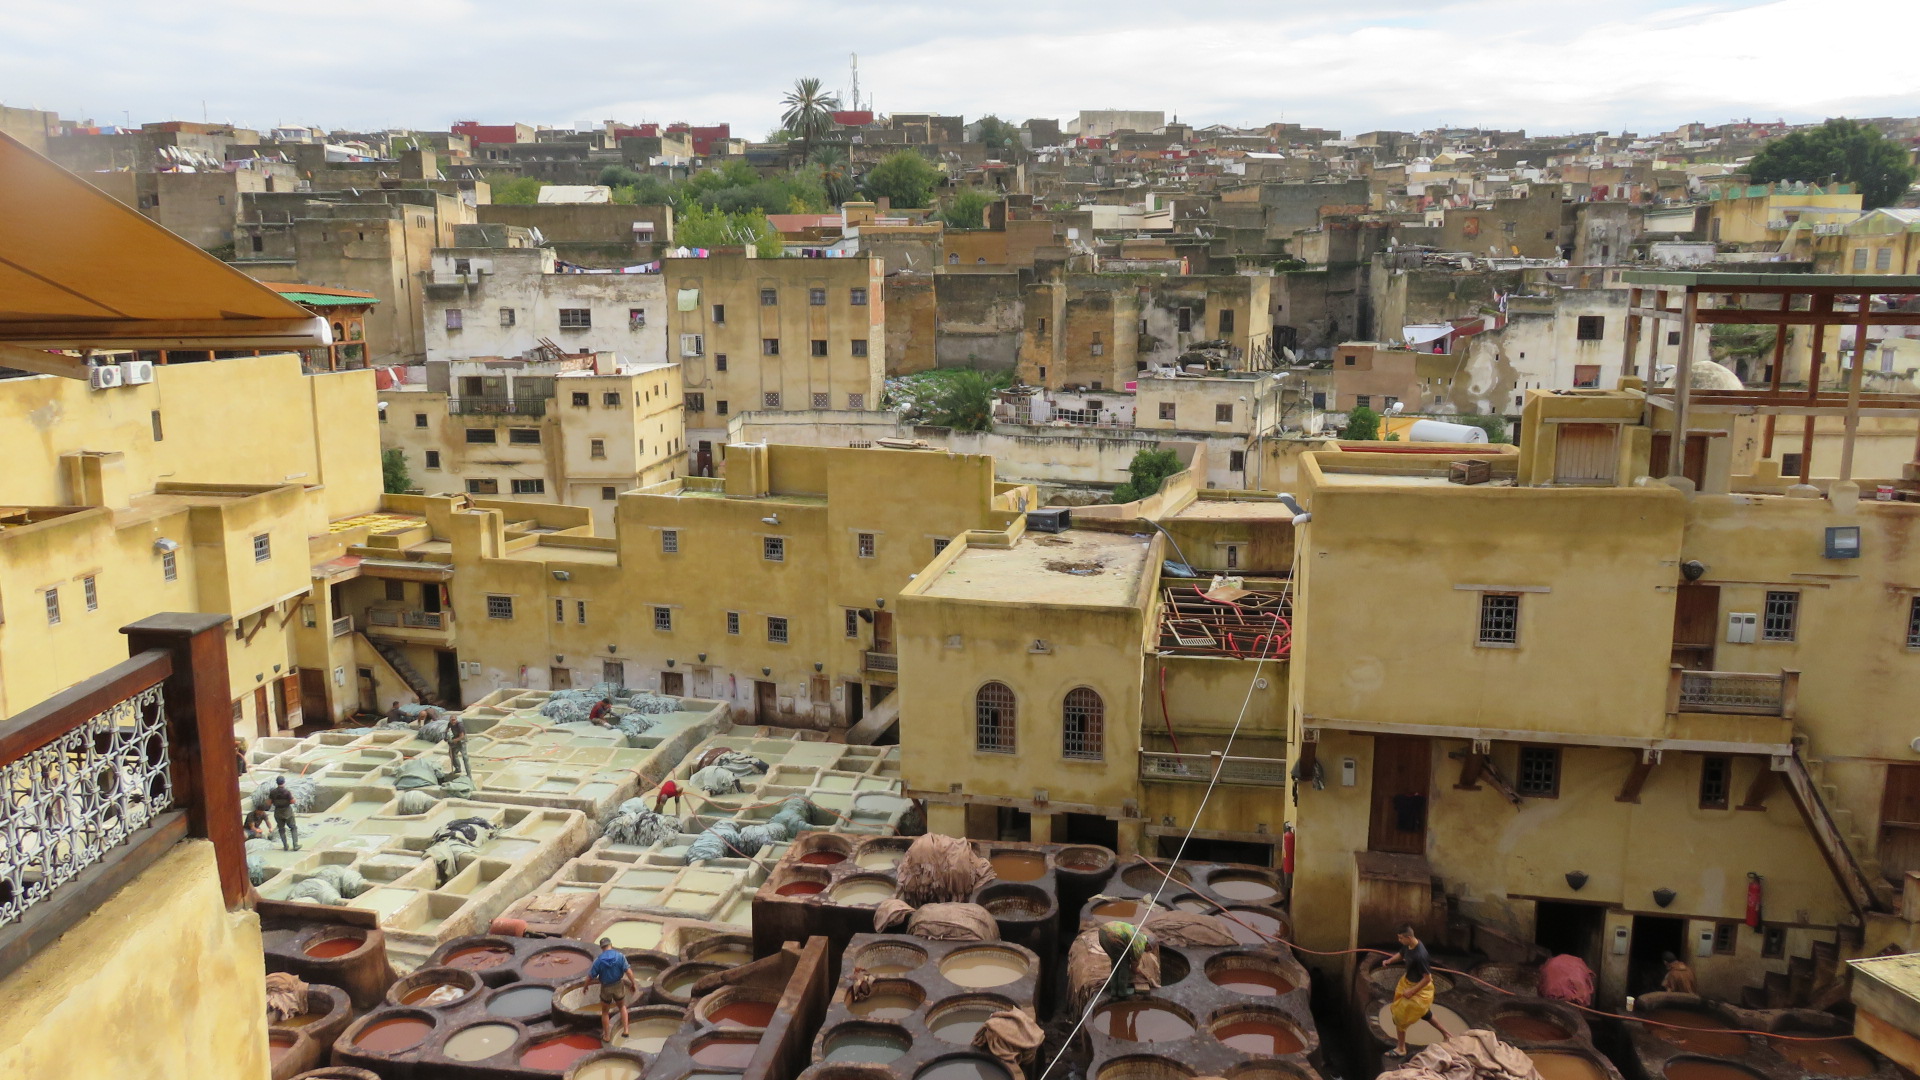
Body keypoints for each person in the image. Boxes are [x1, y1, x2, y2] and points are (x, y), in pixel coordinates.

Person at [1384, 923, 1451, 1059]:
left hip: (1419, 988)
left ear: (1409, 937)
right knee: (1425, 1013)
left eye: (1401, 938)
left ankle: (1401, 1048)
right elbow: (1401, 954)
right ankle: (1447, 1034)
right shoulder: (1408, 945)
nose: (1399, 940)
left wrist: (1412, 992)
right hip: (1407, 982)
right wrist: (1390, 961)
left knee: (1399, 1016)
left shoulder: (1421, 955)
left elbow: (1427, 978)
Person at [574, 937, 638, 1042]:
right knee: (622, 1007)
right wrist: (633, 983)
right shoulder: (620, 956)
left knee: (605, 1012)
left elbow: (590, 976)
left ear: (601, 947)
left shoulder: (599, 960)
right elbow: (629, 971)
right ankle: (626, 1030)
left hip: (606, 987)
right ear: (611, 945)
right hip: (618, 985)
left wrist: (585, 987)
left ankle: (607, 1036)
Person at [1097, 920, 1152, 1001]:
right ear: (1148, 944)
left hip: (1103, 931)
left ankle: (1114, 990)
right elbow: (1134, 966)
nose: (1147, 951)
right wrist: (1140, 972)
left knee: (1116, 962)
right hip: (1113, 935)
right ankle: (1122, 991)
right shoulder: (1140, 944)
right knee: (1124, 965)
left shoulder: (1139, 936)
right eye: (1149, 949)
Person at [269, 776, 299, 851]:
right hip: (287, 811)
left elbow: (269, 803)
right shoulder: (287, 792)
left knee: (281, 829)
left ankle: (285, 846)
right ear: (284, 782)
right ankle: (295, 845)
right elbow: (292, 801)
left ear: (277, 783)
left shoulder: (273, 792)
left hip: (278, 812)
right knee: (293, 828)